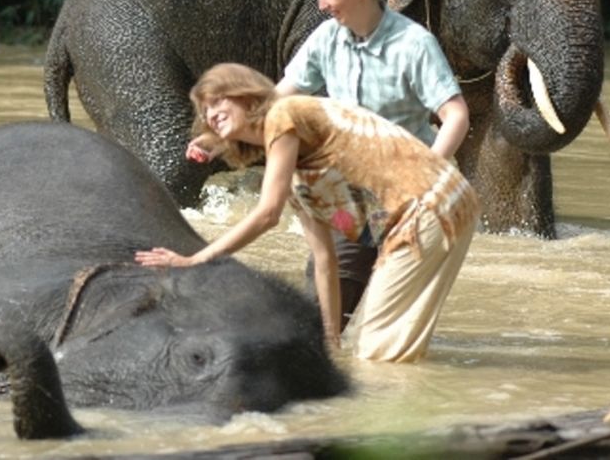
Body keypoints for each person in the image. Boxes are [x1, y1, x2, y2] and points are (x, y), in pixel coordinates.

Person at [185, 0, 469, 328]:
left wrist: (424, 180)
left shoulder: (413, 45)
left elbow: (456, 115)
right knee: (323, 317)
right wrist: (220, 137)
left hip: (410, 199)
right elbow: (277, 99)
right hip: (350, 199)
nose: (321, 4)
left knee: (384, 334)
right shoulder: (326, 39)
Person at [135, 63, 479, 362]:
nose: (210, 115)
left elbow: (267, 213)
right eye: (204, 110)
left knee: (376, 353)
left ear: (246, 96)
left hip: (430, 204)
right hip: (444, 204)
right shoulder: (300, 177)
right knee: (381, 347)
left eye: (217, 101)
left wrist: (196, 260)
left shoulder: (284, 115)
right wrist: (330, 340)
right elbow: (325, 259)